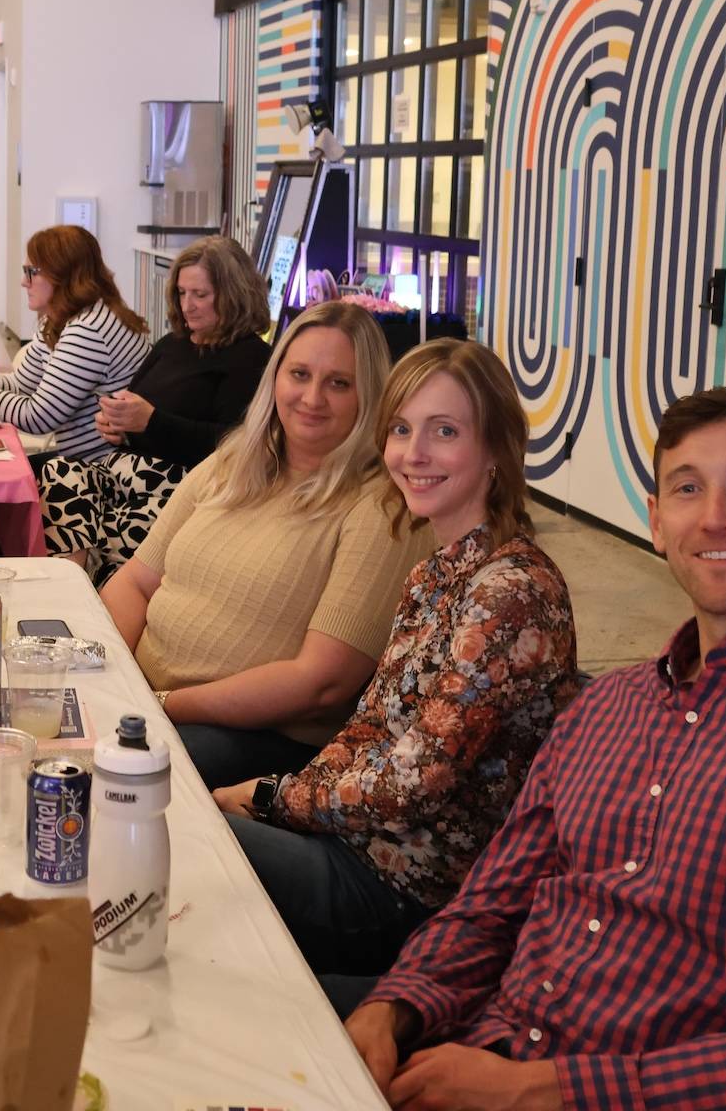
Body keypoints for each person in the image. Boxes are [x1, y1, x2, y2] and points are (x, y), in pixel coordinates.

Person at [343, 387, 726, 1111]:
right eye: (687, 488)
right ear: (655, 522)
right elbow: (491, 905)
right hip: (484, 1051)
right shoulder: (609, 708)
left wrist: (539, 1090)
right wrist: (393, 1008)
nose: (714, 516)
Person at [212, 338, 579, 982]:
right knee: (186, 820)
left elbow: (413, 784)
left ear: (495, 448)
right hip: (359, 844)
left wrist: (274, 798)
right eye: (403, 429)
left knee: (187, 849)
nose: (415, 454)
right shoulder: (438, 571)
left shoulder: (508, 593)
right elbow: (370, 728)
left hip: (410, 896)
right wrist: (279, 800)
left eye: (445, 431)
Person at [101, 301, 430, 789]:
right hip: (147, 699)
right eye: (299, 374)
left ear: (370, 398)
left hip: (256, 736)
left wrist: (161, 703)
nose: (312, 398)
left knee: (109, 776)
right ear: (275, 377)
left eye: (339, 383)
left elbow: (320, 684)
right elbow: (135, 580)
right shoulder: (234, 462)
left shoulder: (381, 508)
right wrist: (114, 680)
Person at [39, 235, 272, 583]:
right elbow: (137, 410)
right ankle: (70, 586)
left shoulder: (249, 358)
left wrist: (151, 422)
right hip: (123, 469)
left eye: (200, 295)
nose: (187, 305)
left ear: (233, 294)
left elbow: (234, 444)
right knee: (58, 472)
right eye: (182, 293)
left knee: (113, 525)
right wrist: (117, 425)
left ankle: (94, 589)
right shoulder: (173, 344)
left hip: (180, 484)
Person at [0, 225, 151, 463]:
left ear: (62, 275)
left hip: (106, 466)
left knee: (1, 475)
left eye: (31, 271)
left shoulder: (88, 329)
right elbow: (22, 385)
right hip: (86, 458)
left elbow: (38, 417)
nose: (23, 281)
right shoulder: (60, 319)